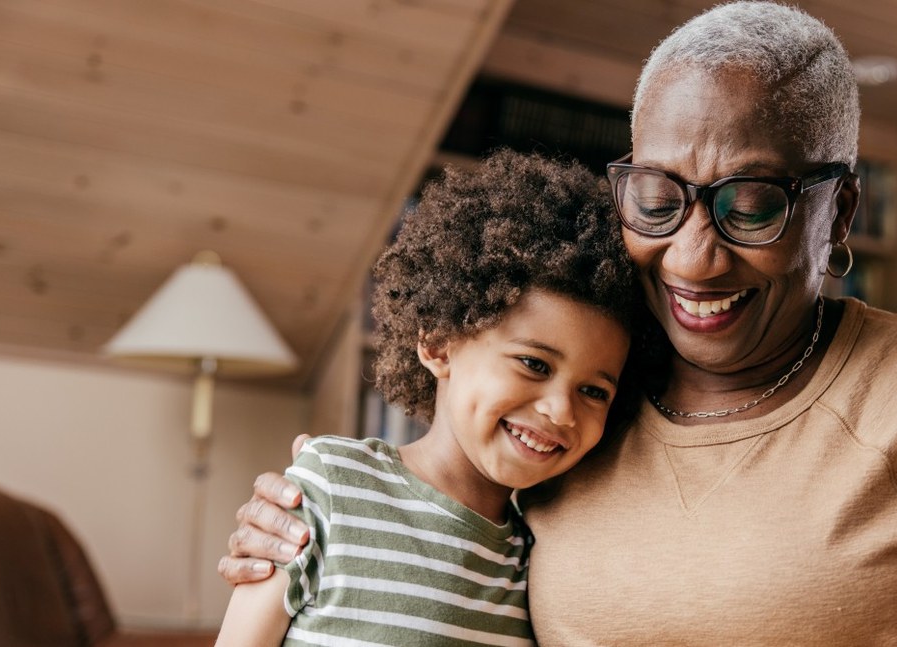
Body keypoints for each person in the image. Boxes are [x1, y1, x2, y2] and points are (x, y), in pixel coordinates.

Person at [219, 2, 897, 645]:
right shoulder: (591, 403)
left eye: (753, 204)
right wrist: (315, 521)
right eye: (658, 197)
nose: (694, 257)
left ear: (840, 213)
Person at [213, 149, 640, 646]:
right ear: (438, 344)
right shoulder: (332, 485)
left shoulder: (537, 561)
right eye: (534, 364)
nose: (561, 410)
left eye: (593, 391)